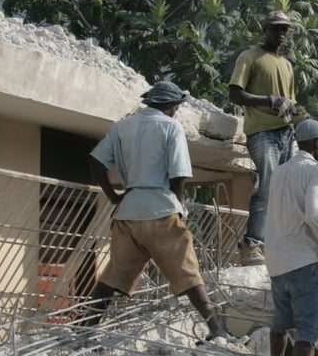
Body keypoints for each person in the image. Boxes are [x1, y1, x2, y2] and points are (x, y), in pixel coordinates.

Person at [85, 80, 227, 340]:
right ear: (171, 105)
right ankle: (216, 330)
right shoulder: (171, 126)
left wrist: (113, 195)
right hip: (161, 208)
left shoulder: (122, 126)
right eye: (177, 107)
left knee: (114, 274)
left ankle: (86, 327)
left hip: (128, 212)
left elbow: (96, 159)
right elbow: (179, 173)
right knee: (188, 273)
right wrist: (179, 204)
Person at [257, 119, 318, 356]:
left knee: (281, 322)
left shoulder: (280, 172)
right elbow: (317, 214)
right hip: (301, 260)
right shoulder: (315, 170)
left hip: (276, 261)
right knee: (308, 329)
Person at [229, 10, 308, 266]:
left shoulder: (286, 65)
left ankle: (273, 242)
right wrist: (269, 100)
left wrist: (299, 114)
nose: (281, 33)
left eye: (285, 29)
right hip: (262, 131)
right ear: (265, 29)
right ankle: (251, 242)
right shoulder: (250, 57)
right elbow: (236, 94)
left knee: (283, 189)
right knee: (268, 185)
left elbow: (290, 103)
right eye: (276, 28)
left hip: (285, 132)